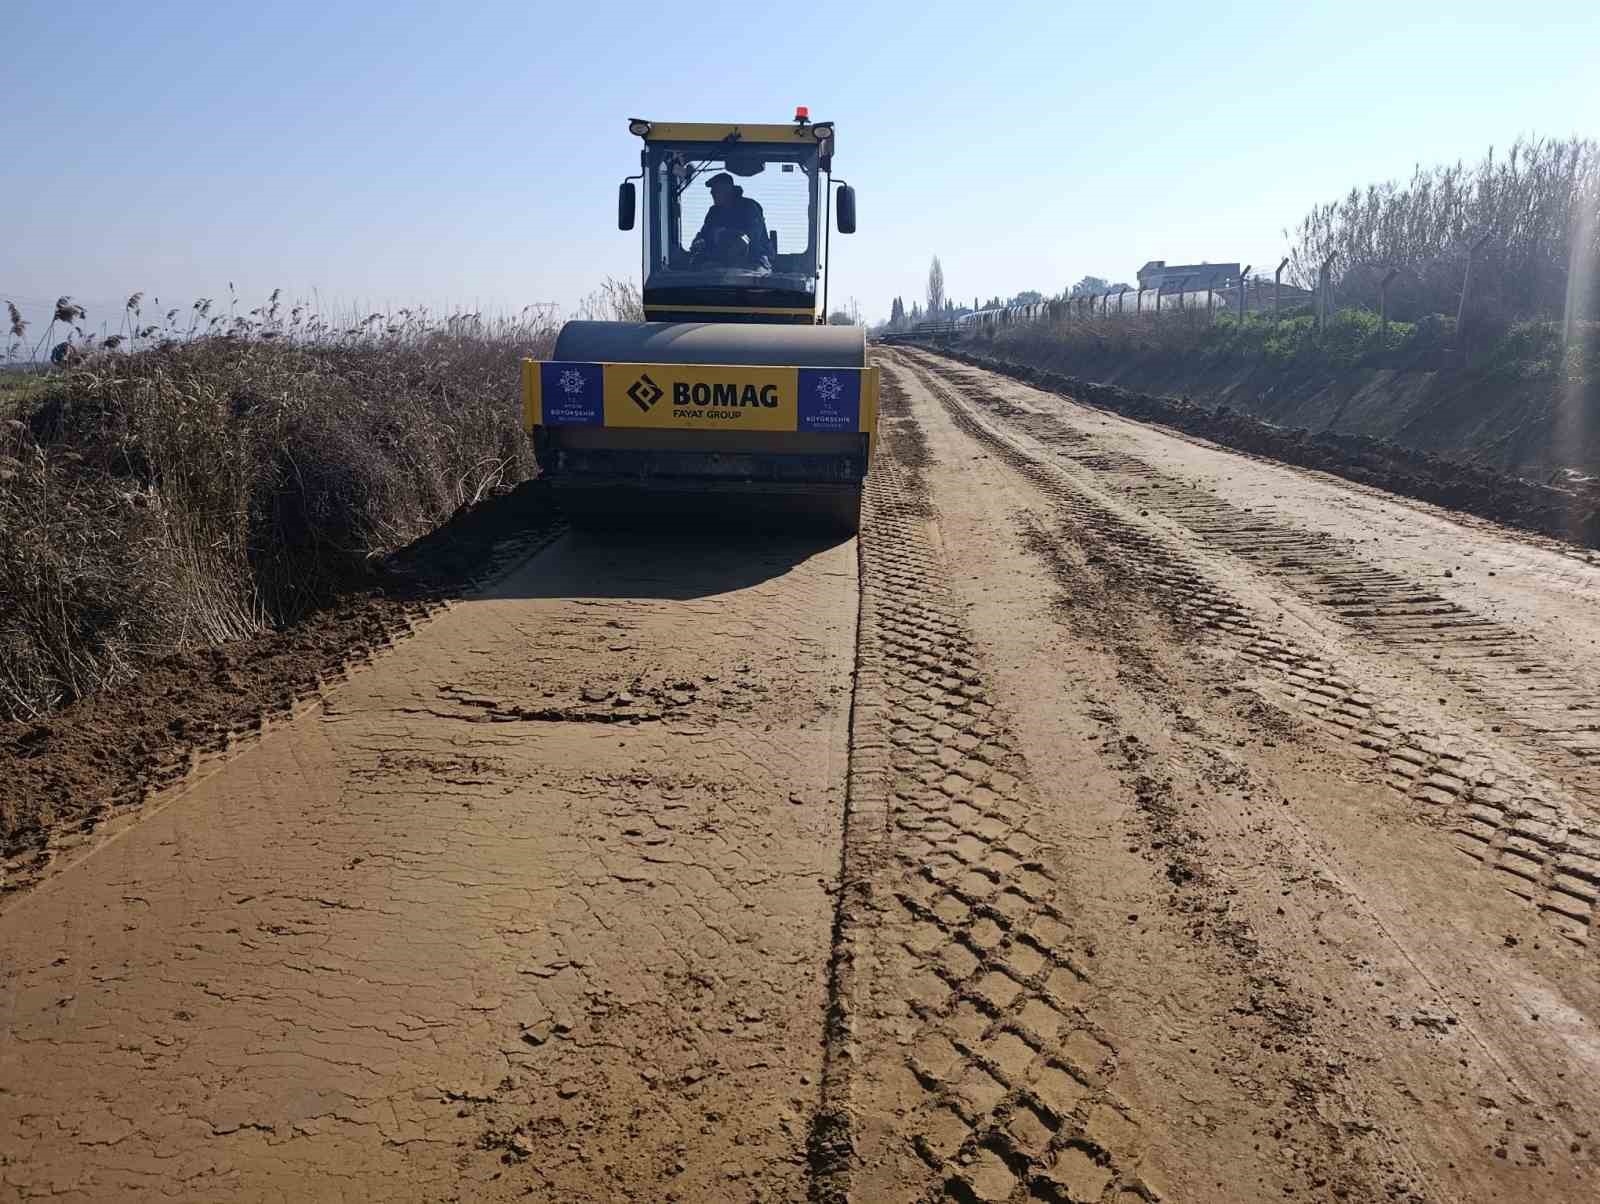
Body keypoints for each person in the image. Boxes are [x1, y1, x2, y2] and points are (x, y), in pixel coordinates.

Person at [690, 172, 772, 269]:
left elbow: (753, 237)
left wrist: (729, 236)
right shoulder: (713, 212)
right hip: (720, 262)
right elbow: (704, 234)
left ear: (728, 190)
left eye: (716, 190)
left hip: (753, 259)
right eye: (712, 191)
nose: (712, 193)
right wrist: (698, 241)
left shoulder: (749, 207)